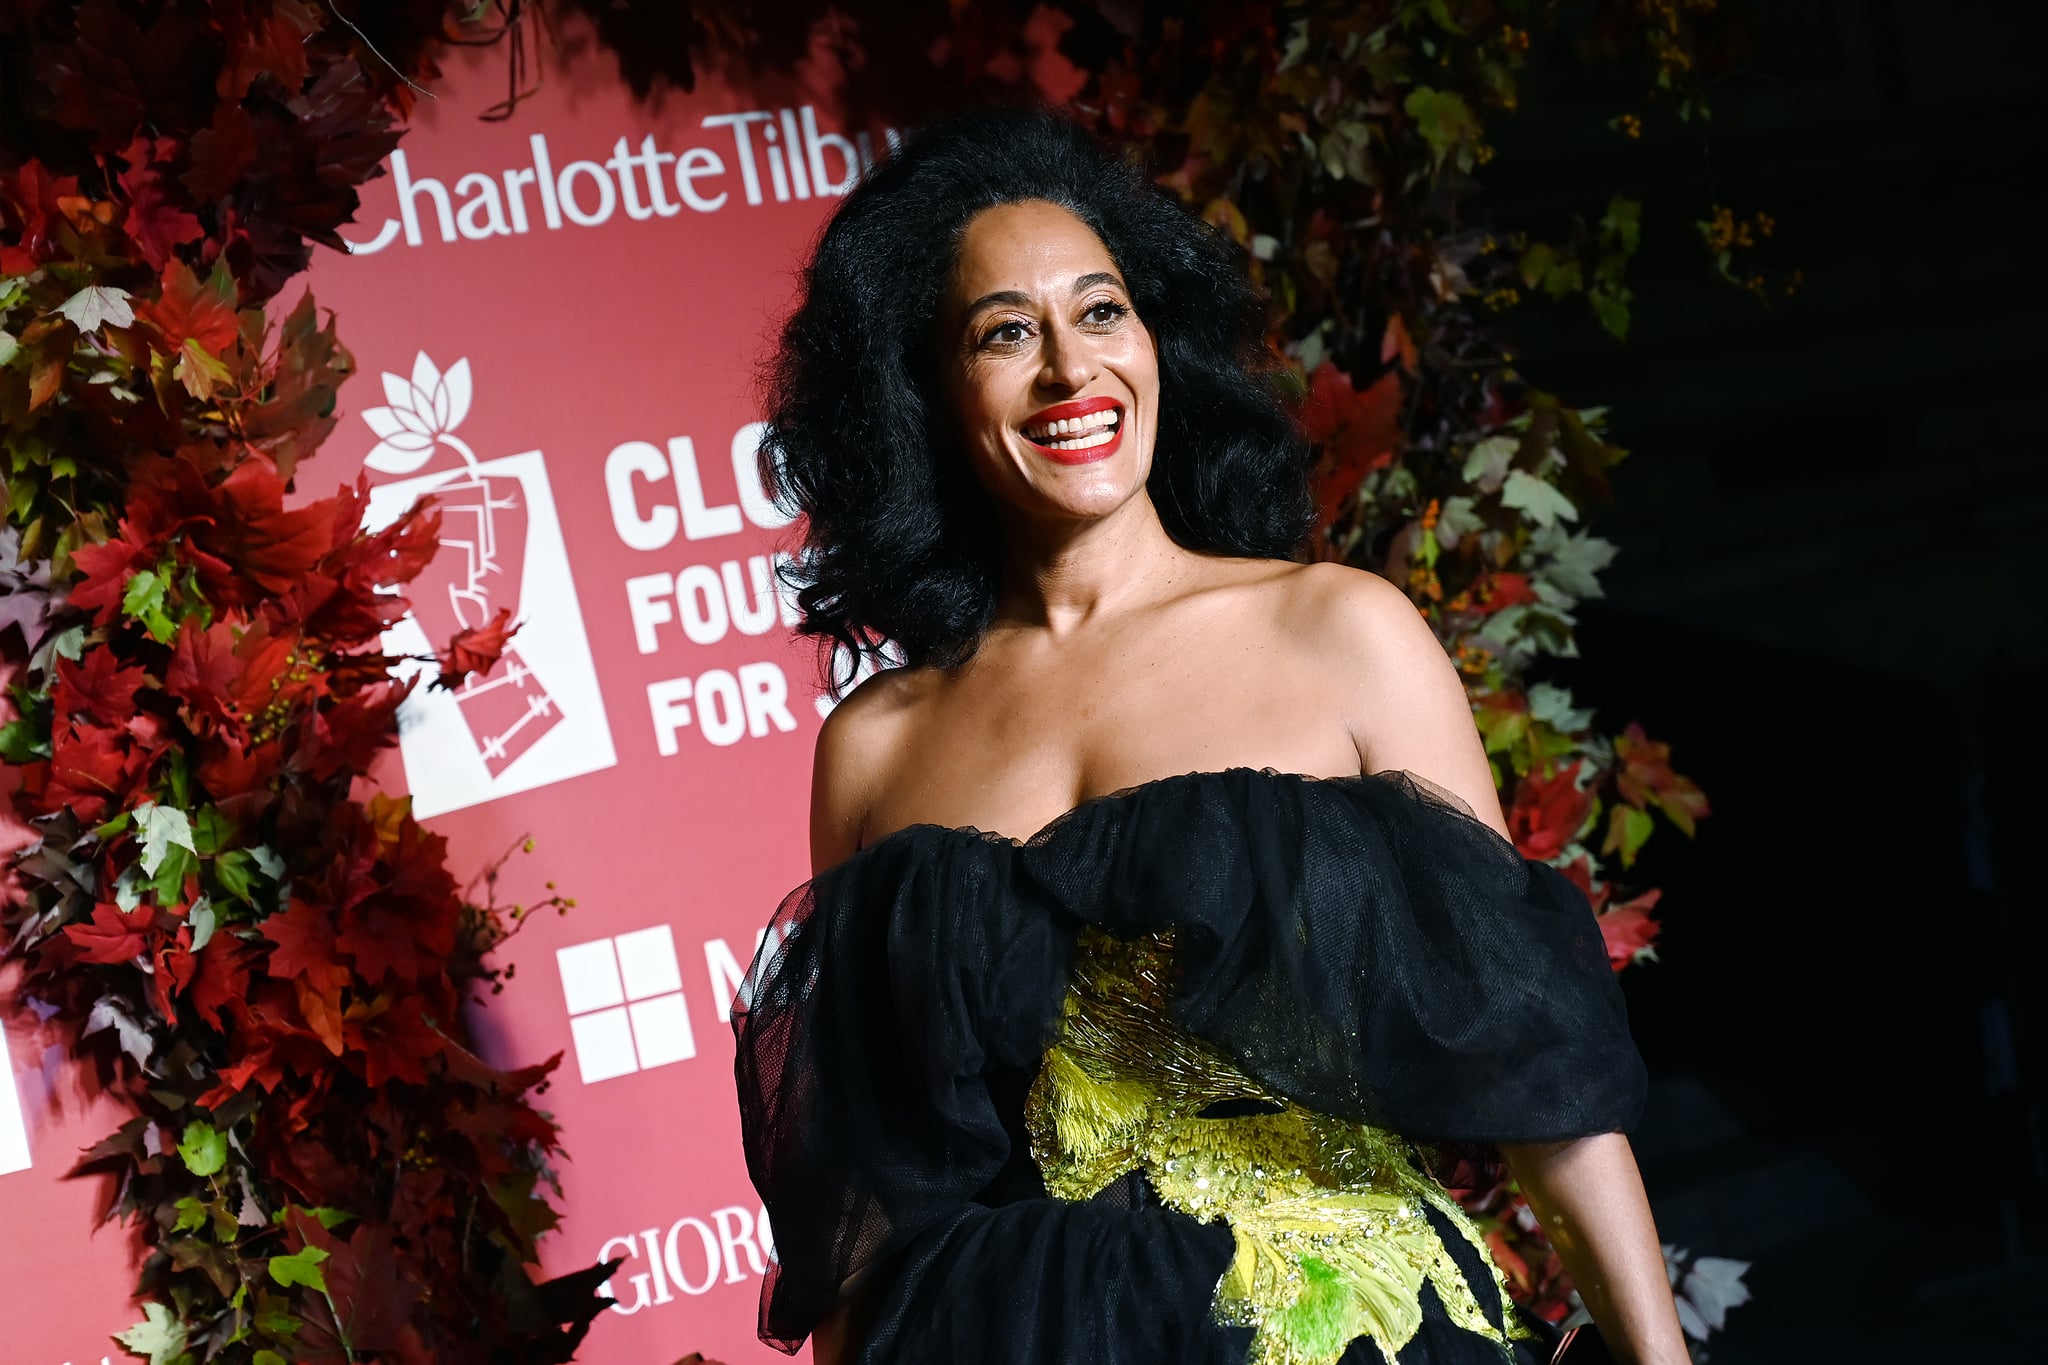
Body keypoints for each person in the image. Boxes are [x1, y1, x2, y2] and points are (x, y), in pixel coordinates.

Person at [732, 106, 1690, 1365]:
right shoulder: (873, 746)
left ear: (1157, 337)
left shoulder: (1337, 631)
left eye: (1102, 311)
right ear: (921, 393)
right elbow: (871, 1193)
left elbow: (1537, 1080)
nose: (1073, 373)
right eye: (1006, 333)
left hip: (1347, 1330)